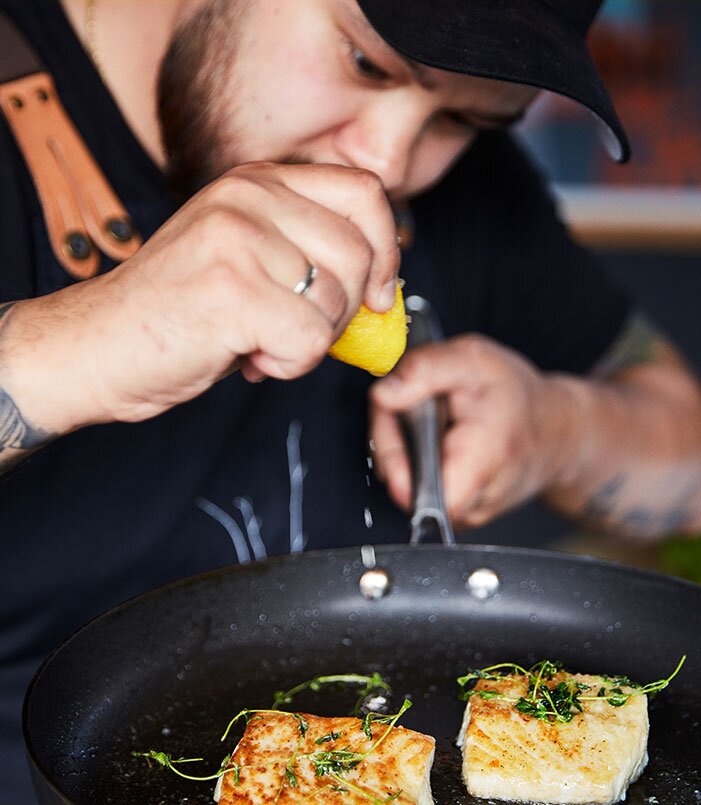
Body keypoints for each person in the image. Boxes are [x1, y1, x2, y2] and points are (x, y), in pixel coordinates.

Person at [1, 0, 700, 799]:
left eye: (464, 120)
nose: (387, 162)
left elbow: (685, 454)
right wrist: (64, 345)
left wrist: (561, 429)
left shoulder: (470, 189)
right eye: (364, 62)